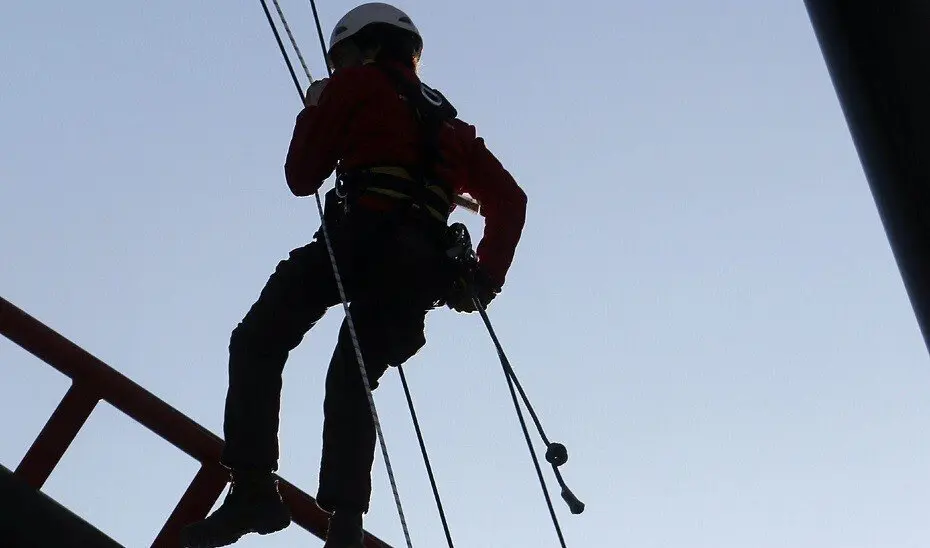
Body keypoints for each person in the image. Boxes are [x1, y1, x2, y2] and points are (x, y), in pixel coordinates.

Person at [180, 2, 527, 547]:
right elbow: (510, 200)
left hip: (359, 237)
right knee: (353, 378)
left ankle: (252, 488)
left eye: (342, 58)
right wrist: (484, 278)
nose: (338, 69)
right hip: (421, 267)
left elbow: (302, 176)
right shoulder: (453, 127)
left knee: (258, 340)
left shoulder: (357, 85)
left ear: (366, 47)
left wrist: (316, 106)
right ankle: (344, 527)